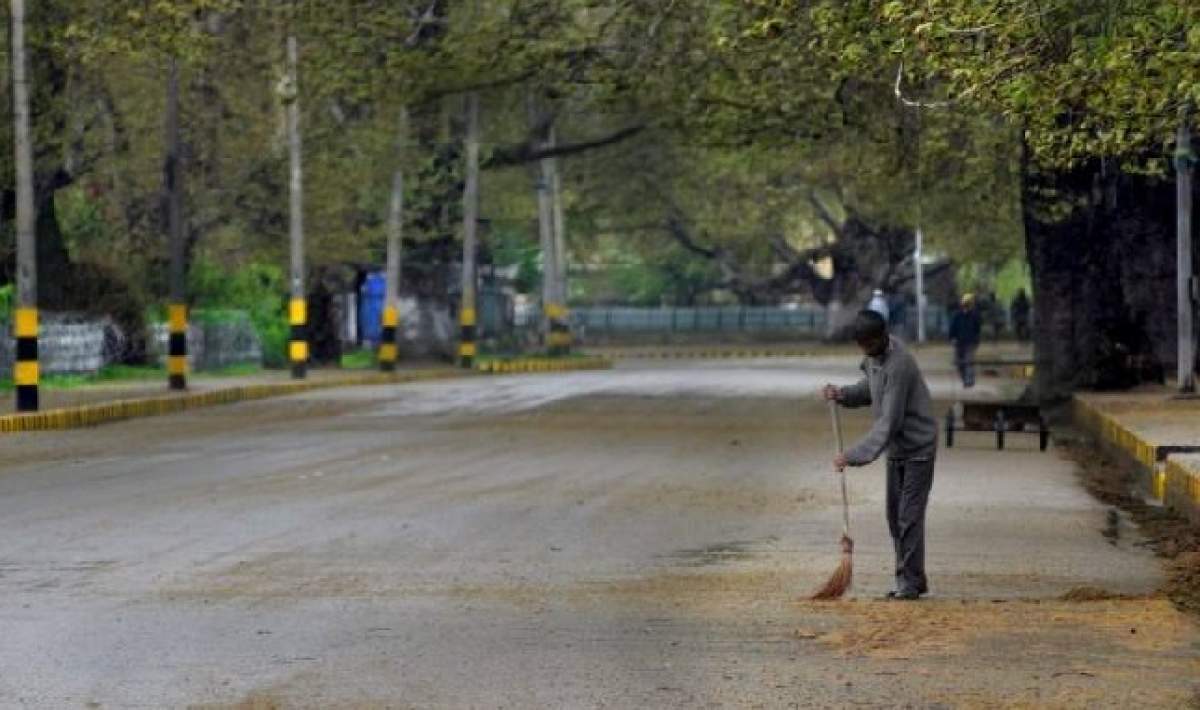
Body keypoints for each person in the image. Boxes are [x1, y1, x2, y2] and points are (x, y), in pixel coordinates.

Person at [822, 310, 938, 600]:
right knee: (894, 516)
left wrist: (852, 455)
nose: (863, 351)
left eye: (866, 345)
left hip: (918, 450)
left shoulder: (899, 365)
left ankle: (909, 584)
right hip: (897, 450)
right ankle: (912, 578)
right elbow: (871, 389)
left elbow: (889, 423)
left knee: (908, 517)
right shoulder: (874, 357)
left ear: (880, 337)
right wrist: (843, 394)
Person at [948, 294, 982, 388]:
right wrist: (952, 338)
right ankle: (965, 379)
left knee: (968, 361)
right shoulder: (957, 315)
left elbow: (977, 328)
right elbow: (952, 328)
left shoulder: (975, 315)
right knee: (959, 363)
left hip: (970, 342)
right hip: (959, 342)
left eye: (969, 303)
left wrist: (976, 340)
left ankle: (969, 380)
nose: (967, 305)